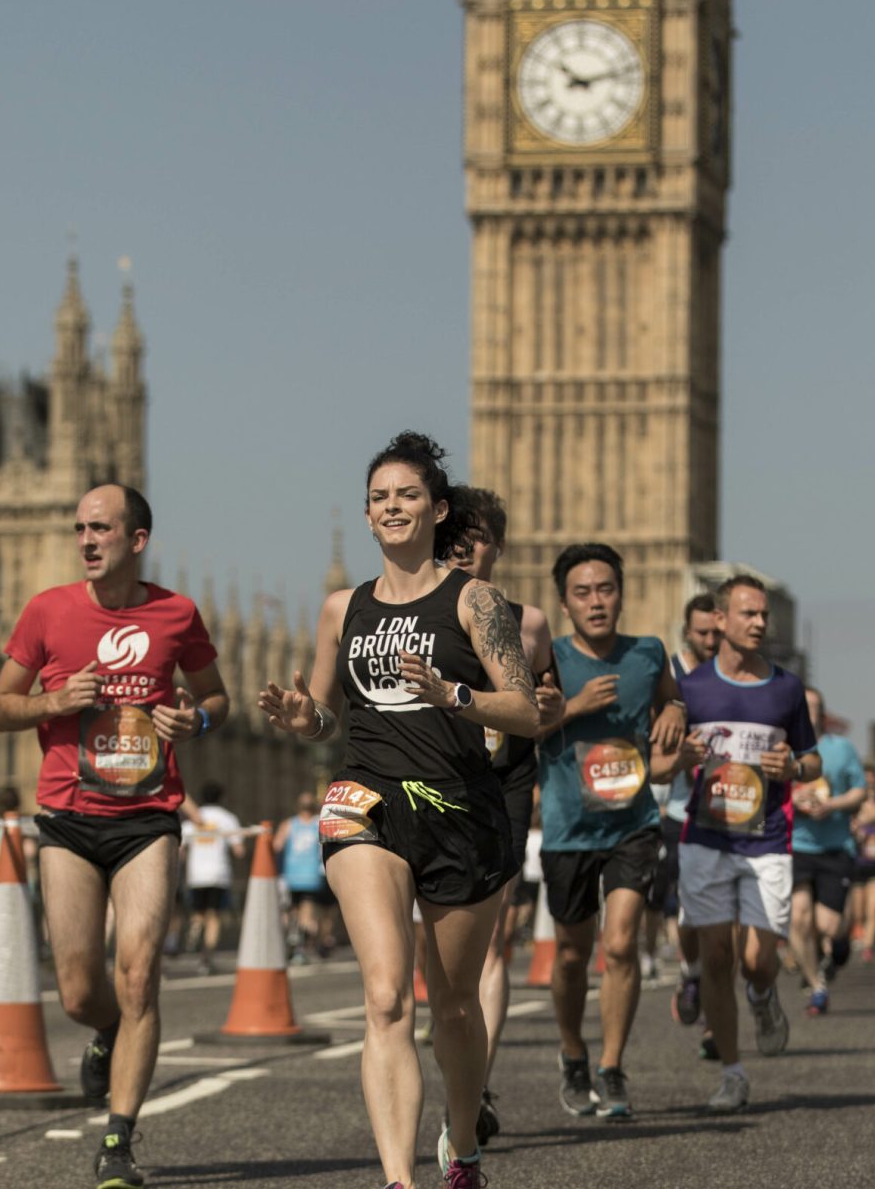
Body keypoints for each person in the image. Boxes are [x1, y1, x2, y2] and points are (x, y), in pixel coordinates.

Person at [259, 432, 537, 1189]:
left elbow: (525, 711)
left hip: (459, 808)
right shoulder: (341, 608)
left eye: (407, 495)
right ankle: (397, 1180)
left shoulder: (474, 600)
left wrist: (455, 695)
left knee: (451, 1007)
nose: (392, 507)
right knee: (385, 996)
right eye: (379, 497)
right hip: (365, 801)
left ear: (437, 509)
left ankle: (465, 1145)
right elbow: (327, 719)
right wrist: (298, 718)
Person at [0, 483, 229, 1189]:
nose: (87, 540)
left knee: (139, 975)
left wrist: (198, 721)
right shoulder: (48, 611)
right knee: (75, 990)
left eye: (101, 528)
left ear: (137, 538)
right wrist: (54, 701)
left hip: (149, 817)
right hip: (68, 817)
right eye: (80, 529)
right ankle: (105, 1035)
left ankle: (119, 1140)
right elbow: (1, 707)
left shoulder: (176, 613)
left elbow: (214, 695)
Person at [537, 542, 686, 1120]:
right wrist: (571, 708)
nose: (596, 602)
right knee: (573, 955)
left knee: (621, 943)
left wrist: (674, 711)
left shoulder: (648, 653)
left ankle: (613, 1066)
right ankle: (573, 1053)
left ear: (621, 594)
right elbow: (520, 729)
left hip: (633, 822)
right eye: (583, 593)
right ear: (565, 603)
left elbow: (671, 698)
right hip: (568, 826)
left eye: (606, 589)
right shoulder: (545, 657)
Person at [676, 574, 820, 1112]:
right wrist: (682, 760)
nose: (760, 623)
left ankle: (763, 996)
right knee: (716, 956)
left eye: (764, 615)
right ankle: (732, 1072)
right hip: (706, 838)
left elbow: (813, 758)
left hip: (767, 839)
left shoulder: (786, 688)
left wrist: (796, 765)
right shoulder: (690, 690)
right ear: (720, 619)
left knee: (759, 959)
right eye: (749, 614)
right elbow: (660, 765)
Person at [444, 485, 560, 1146]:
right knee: (434, 954)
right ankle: (459, 1068)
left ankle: (473, 1086)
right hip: (430, 784)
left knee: (492, 943)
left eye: (479, 533)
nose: (465, 543)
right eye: (455, 531)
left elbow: (546, 700)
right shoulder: (410, 614)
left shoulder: (531, 623)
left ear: (500, 547)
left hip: (501, 785)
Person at [790, 688, 866, 1015]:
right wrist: (791, 800)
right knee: (799, 917)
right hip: (795, 844)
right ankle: (817, 987)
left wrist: (832, 804)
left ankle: (838, 945)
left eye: (814, 707)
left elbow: (860, 792)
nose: (809, 713)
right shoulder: (784, 749)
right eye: (803, 707)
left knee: (829, 926)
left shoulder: (841, 749)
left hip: (835, 846)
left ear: (822, 713)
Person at [665, 594, 721, 1032]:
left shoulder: (736, 675)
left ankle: (717, 1026)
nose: (710, 640)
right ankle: (691, 972)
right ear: (687, 630)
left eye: (716, 633)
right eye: (702, 632)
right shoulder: (669, 673)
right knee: (685, 911)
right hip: (681, 808)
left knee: (723, 923)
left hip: (731, 812)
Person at [180, 781, 244, 975]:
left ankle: (195, 928)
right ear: (221, 797)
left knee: (198, 913)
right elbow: (238, 850)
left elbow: (180, 849)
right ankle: (206, 958)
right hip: (218, 873)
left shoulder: (192, 818)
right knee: (214, 916)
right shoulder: (228, 819)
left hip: (196, 874)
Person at [275, 791, 338, 962]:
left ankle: (291, 938)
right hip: (312, 877)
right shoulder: (320, 823)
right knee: (308, 915)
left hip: (291, 876)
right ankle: (301, 946)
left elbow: (277, 846)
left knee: (290, 912)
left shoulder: (288, 824)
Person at [850, 762, 875, 961]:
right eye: (866, 778)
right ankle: (858, 931)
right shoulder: (852, 804)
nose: (869, 781)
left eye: (872, 777)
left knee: (874, 907)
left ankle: (869, 945)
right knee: (858, 910)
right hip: (857, 863)